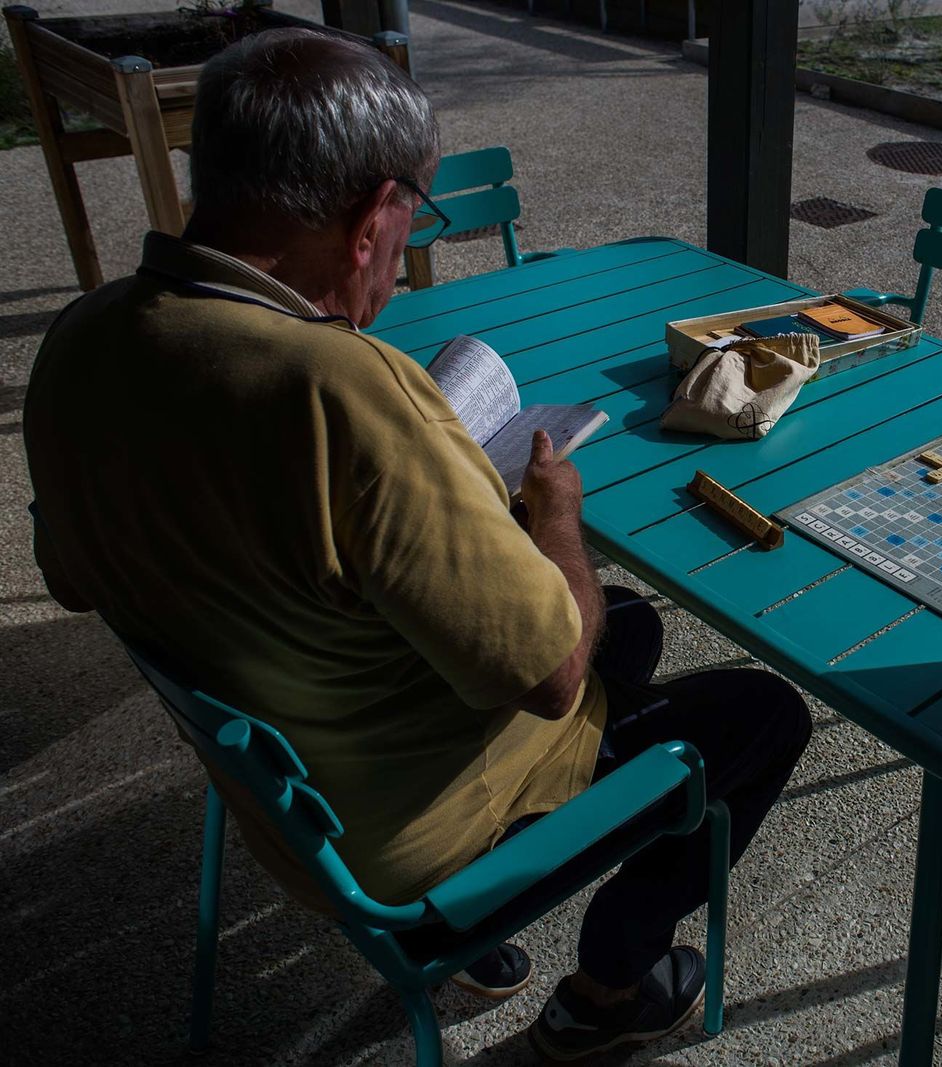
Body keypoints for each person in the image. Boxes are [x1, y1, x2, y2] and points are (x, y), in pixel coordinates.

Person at [22, 28, 810, 1061]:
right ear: (370, 218)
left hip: (290, 787)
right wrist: (552, 516)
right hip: (409, 843)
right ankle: (615, 982)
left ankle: (503, 954)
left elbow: (76, 581)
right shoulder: (339, 389)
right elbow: (550, 675)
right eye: (413, 219)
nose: (399, 259)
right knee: (757, 710)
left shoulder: (83, 341)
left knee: (633, 621)